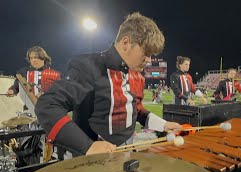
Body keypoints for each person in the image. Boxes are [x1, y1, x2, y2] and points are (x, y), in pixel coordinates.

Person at [35, 12, 181, 156]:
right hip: (95, 158)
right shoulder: (88, 66)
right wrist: (87, 146)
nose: (149, 60)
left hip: (128, 149)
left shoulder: (137, 75)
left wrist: (163, 125)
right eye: (146, 53)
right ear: (126, 43)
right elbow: (47, 106)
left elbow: (135, 111)